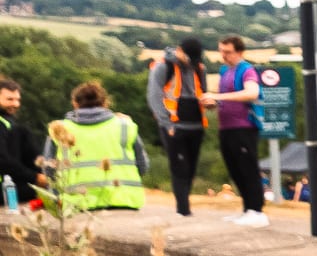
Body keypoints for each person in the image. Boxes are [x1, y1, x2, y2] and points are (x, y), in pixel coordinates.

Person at [40, 81, 148, 215]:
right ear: (105, 102)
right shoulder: (125, 125)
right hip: (124, 202)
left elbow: (49, 171)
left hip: (75, 206)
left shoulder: (59, 129)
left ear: (75, 103)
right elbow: (143, 167)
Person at [147, 38, 213, 217]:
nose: (192, 62)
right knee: (179, 167)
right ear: (179, 51)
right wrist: (166, 124)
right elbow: (154, 96)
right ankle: (183, 209)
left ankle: (184, 205)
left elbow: (203, 92)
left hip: (196, 126)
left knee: (191, 168)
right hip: (174, 125)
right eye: (189, 58)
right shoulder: (163, 66)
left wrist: (210, 104)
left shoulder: (199, 68)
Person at [207, 37, 269, 225]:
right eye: (221, 51)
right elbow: (226, 99)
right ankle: (247, 208)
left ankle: (257, 211)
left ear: (239, 52)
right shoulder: (225, 70)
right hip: (227, 127)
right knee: (235, 170)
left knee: (247, 168)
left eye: (228, 52)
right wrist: (214, 103)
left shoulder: (246, 70)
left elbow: (252, 93)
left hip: (244, 127)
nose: (223, 55)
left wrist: (218, 96)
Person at [0, 77, 41, 211]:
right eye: (10, 99)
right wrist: (35, 177)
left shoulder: (7, 122)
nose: (16, 104)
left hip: (10, 183)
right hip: (5, 188)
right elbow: (3, 161)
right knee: (23, 132)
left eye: (17, 100)